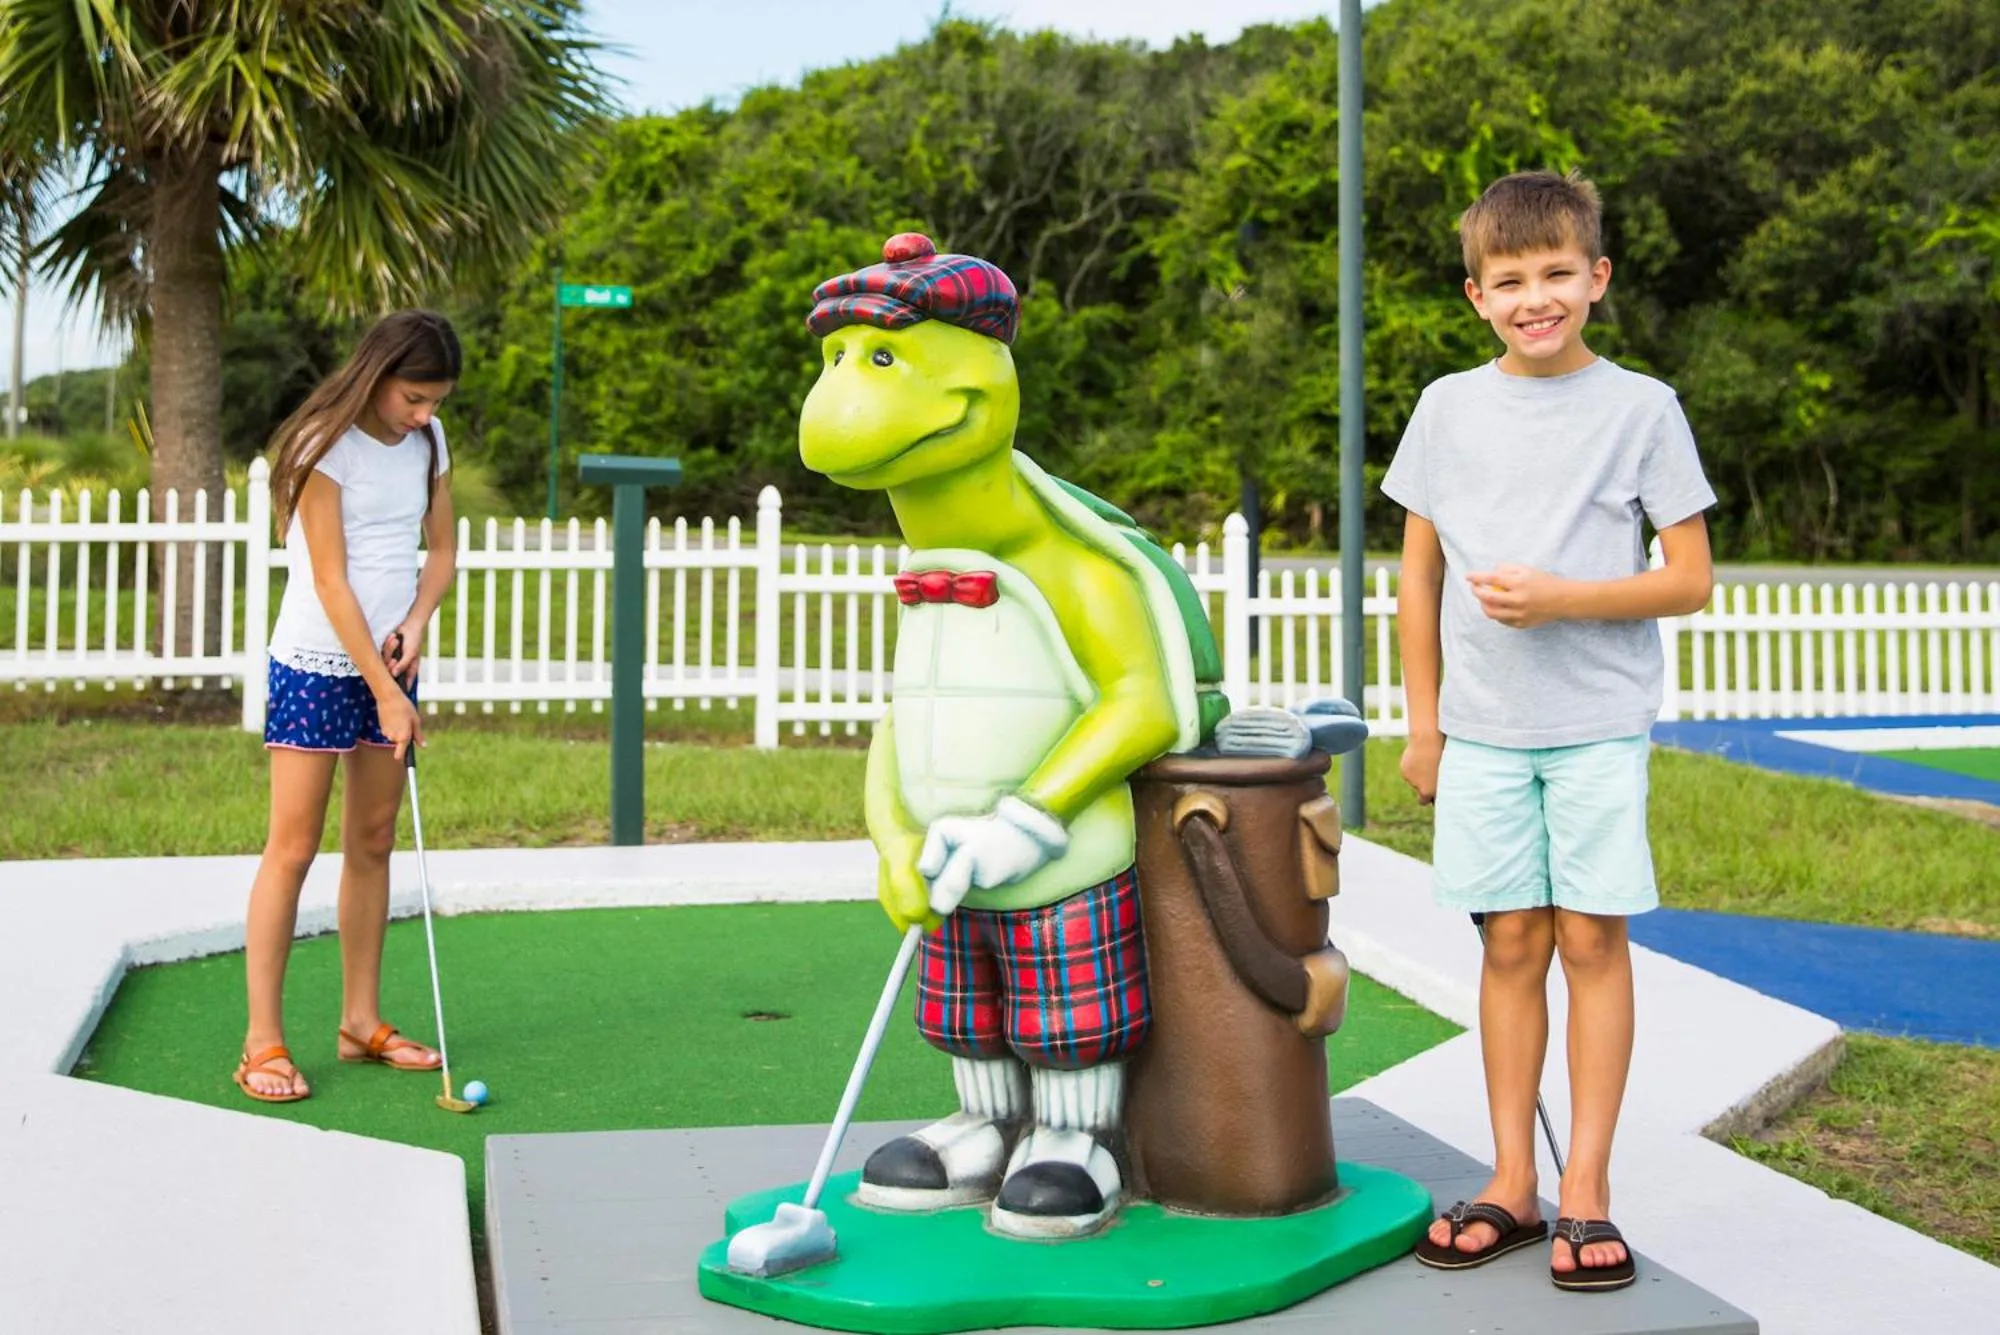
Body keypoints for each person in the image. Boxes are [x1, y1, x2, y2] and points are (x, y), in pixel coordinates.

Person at [1385, 170, 1717, 1291]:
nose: (1535, 297)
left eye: (1556, 275)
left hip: (1592, 728)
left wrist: (1566, 597)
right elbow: (1417, 578)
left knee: (1589, 943)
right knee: (1509, 945)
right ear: (1474, 294)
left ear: (1596, 280)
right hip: (1478, 734)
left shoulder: (1641, 409)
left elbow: (1687, 580)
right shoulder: (1444, 407)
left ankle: (1585, 1191)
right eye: (1509, 280)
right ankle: (1511, 1184)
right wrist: (1423, 727)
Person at [233, 310, 461, 1103]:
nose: (424, 415)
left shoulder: (430, 444)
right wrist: (384, 690)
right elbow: (329, 582)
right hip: (318, 661)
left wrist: (417, 625)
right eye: (413, 398)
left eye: (434, 402)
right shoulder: (321, 447)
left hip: (390, 660)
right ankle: (262, 1040)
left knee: (371, 839)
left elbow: (440, 552)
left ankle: (360, 1021)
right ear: (378, 373)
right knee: (292, 847)